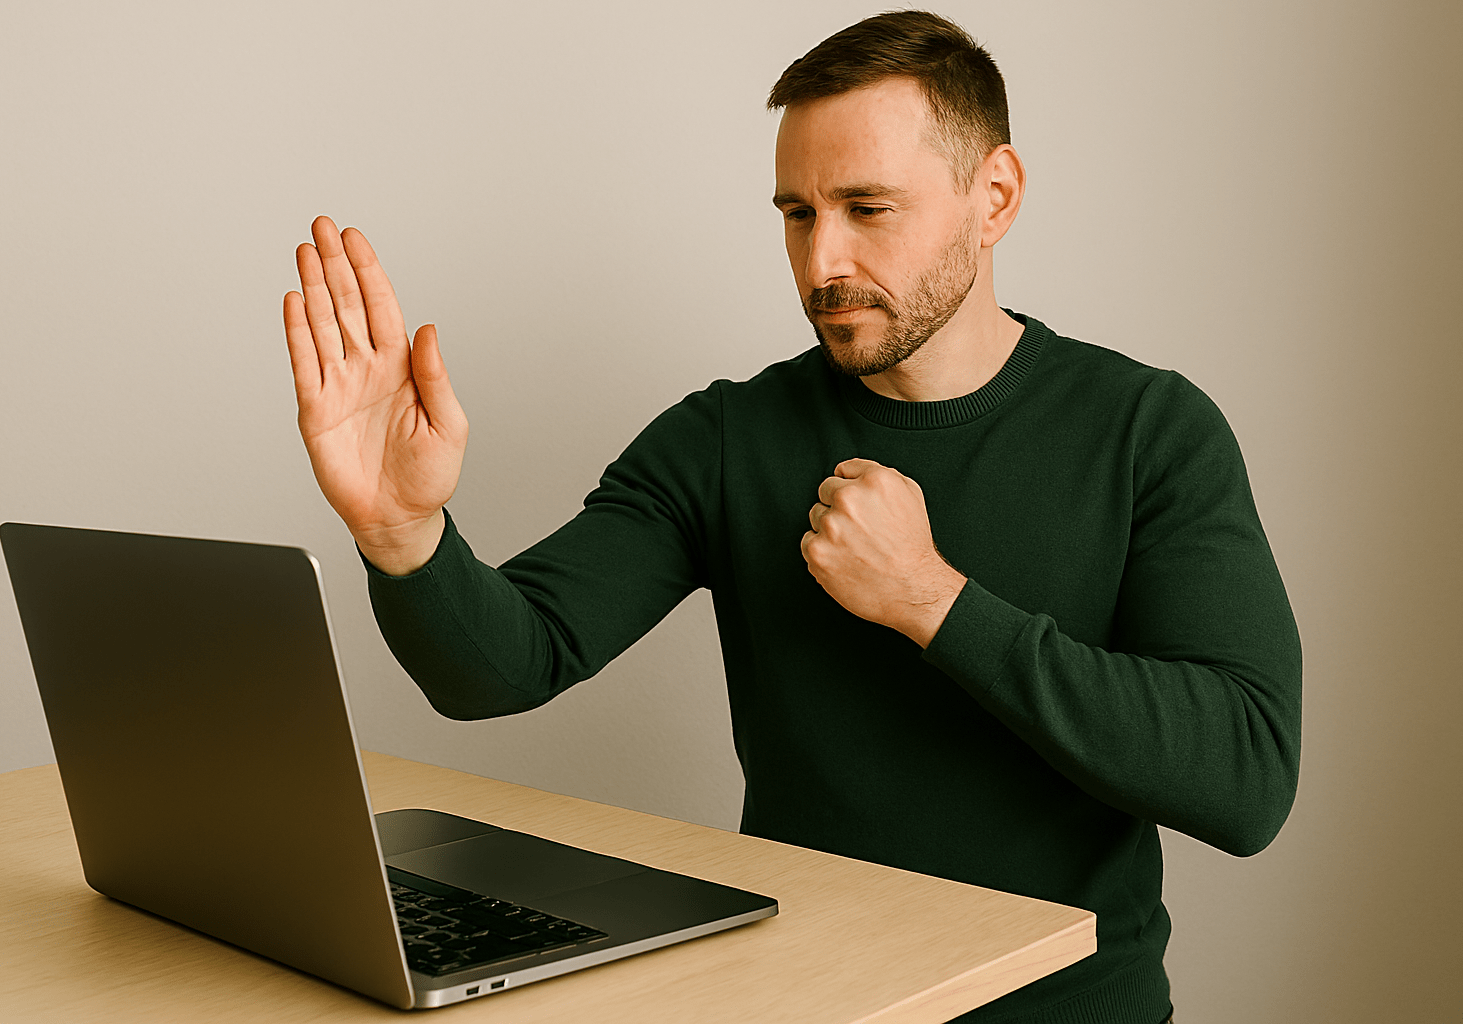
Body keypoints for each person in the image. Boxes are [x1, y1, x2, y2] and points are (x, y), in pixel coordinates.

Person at [282, 11, 1298, 1023]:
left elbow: (1246, 780)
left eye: (868, 207)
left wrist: (933, 600)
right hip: (814, 1005)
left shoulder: (1149, 430)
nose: (821, 263)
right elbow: (505, 664)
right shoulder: (726, 437)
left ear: (994, 197)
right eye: (797, 213)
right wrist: (402, 532)